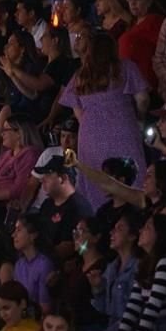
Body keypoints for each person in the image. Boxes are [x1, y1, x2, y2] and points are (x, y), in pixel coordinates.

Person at [59, 32, 148, 209]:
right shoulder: (126, 68)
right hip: (123, 127)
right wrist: (139, 117)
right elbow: (143, 99)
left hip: (90, 134)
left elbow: (77, 111)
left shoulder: (80, 76)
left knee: (96, 178)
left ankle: (99, 220)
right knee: (130, 175)